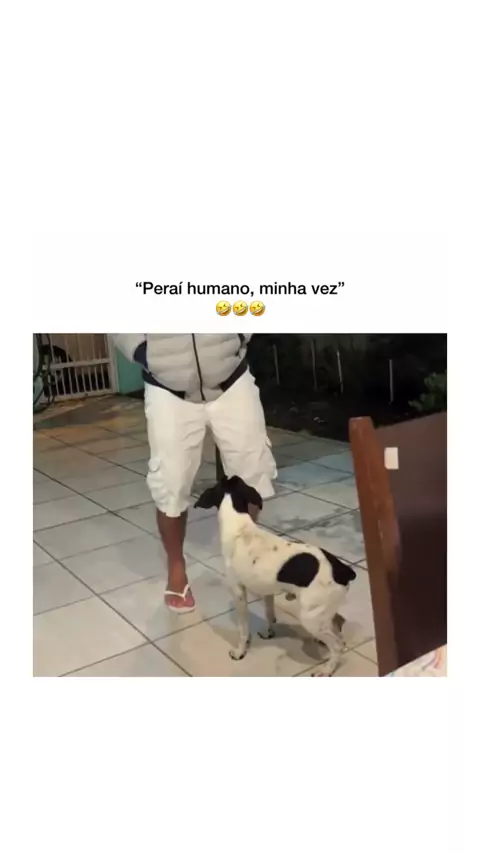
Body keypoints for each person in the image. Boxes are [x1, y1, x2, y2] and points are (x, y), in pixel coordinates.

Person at [113, 334, 277, 612]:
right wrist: (144, 351)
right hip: (167, 388)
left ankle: (246, 559)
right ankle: (176, 568)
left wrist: (238, 334)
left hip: (231, 379)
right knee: (170, 483)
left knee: (252, 474)